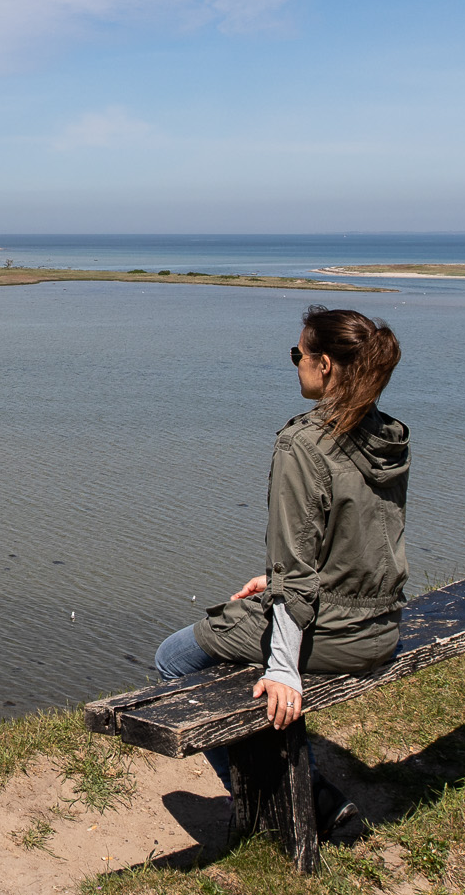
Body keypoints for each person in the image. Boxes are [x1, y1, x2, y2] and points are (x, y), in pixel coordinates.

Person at [152, 305, 409, 732]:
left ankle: (293, 790)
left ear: (323, 364)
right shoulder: (388, 437)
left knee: (173, 658)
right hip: (384, 626)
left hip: (335, 632)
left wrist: (283, 668)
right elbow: (361, 544)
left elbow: (294, 568)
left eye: (298, 355)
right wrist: (273, 584)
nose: (295, 365)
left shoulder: (302, 444)